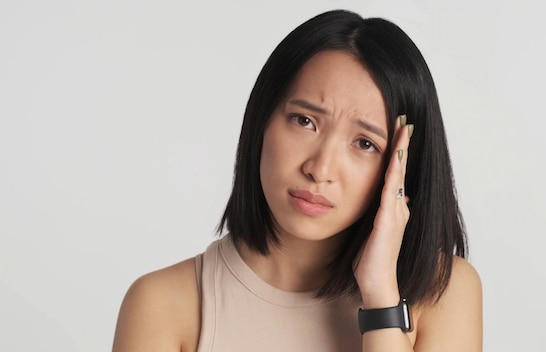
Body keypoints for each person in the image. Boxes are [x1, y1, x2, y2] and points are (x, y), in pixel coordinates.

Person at [112, 9, 482, 352]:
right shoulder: (162, 305)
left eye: (365, 143)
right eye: (305, 121)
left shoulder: (442, 292)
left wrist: (381, 297)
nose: (320, 169)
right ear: (262, 120)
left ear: (402, 164)